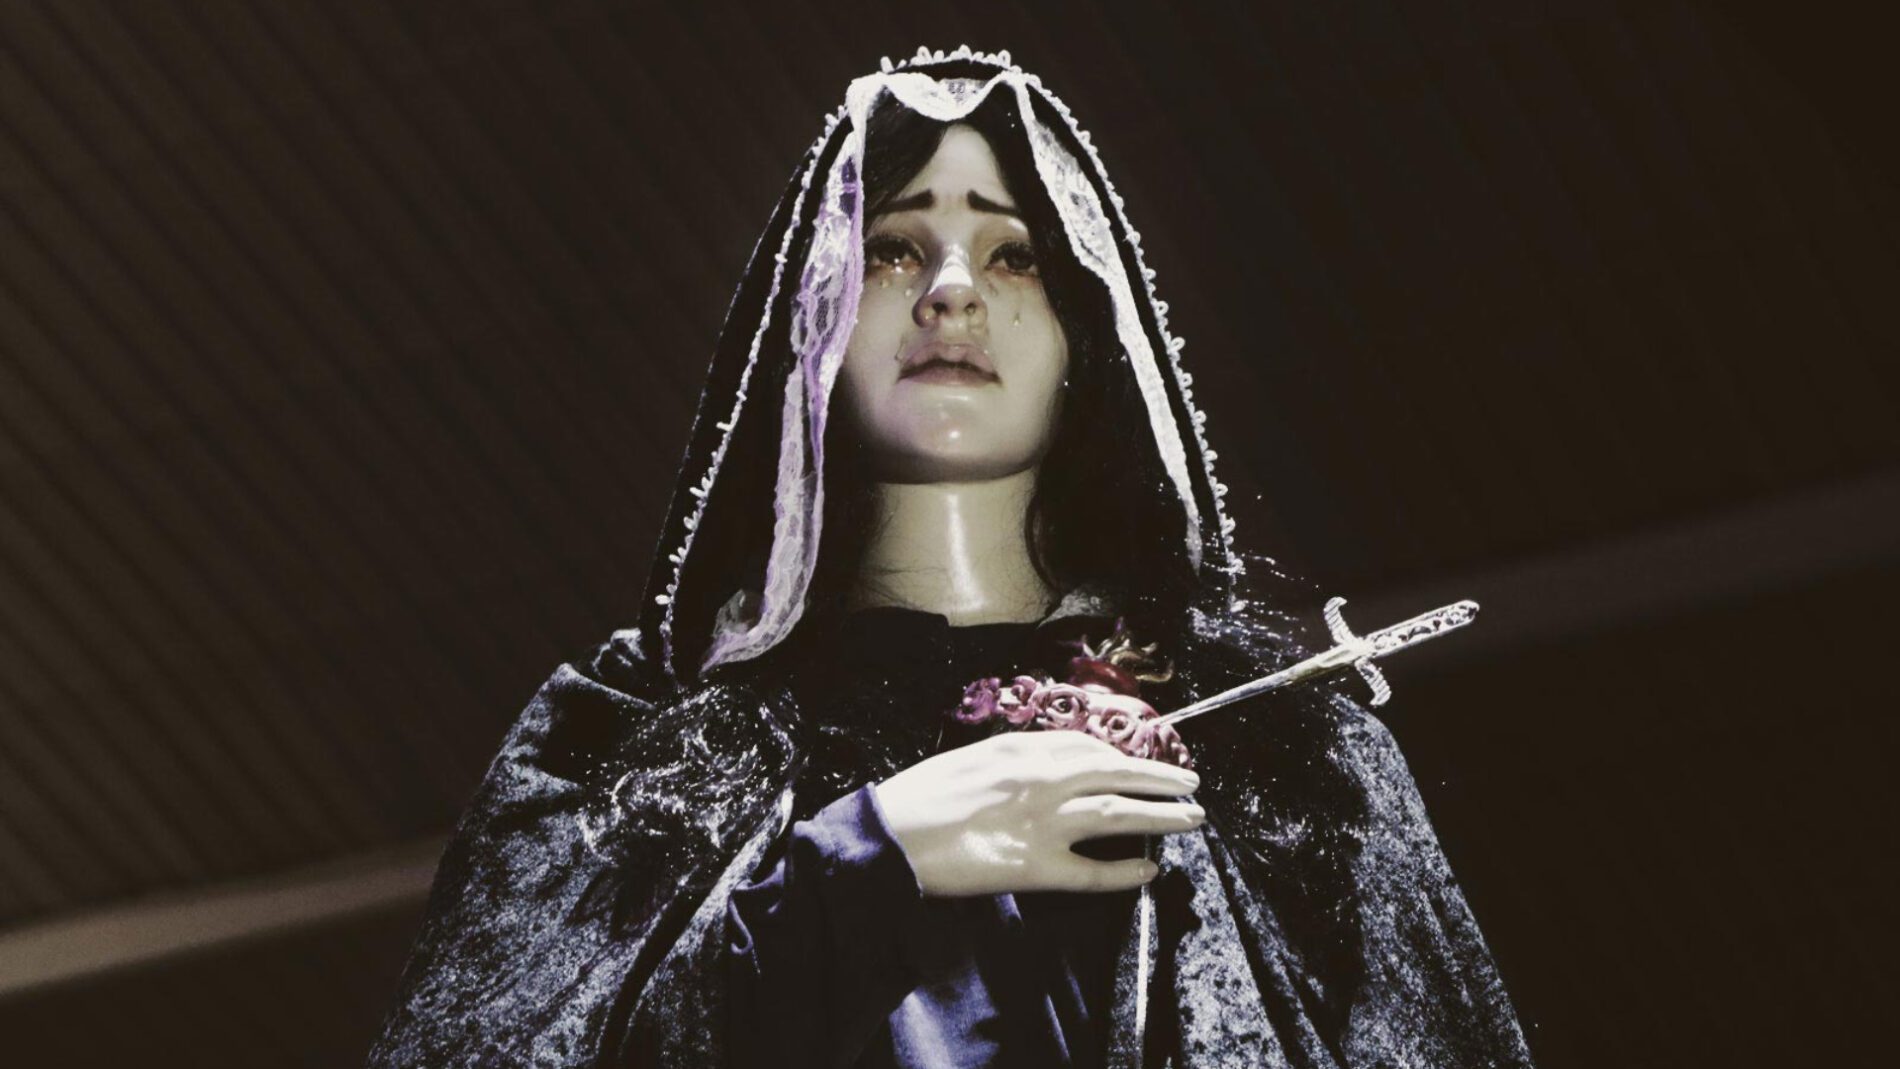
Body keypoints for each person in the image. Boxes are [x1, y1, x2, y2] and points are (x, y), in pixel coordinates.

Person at [366, 46, 1536, 1069]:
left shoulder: (1291, 757)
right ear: (812, 323)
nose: (952, 292)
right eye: (892, 248)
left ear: (1085, 335)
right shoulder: (623, 744)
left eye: (1014, 253)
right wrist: (860, 866)